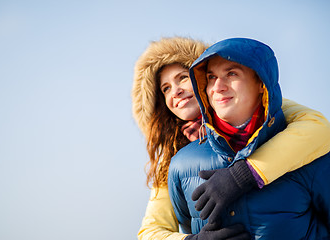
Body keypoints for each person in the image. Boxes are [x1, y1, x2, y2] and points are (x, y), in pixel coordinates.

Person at [132, 37, 330, 239]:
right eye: (165, 88)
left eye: (182, 78)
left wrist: (243, 174)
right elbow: (152, 230)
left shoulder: (256, 103)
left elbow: (318, 128)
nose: (176, 91)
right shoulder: (173, 159)